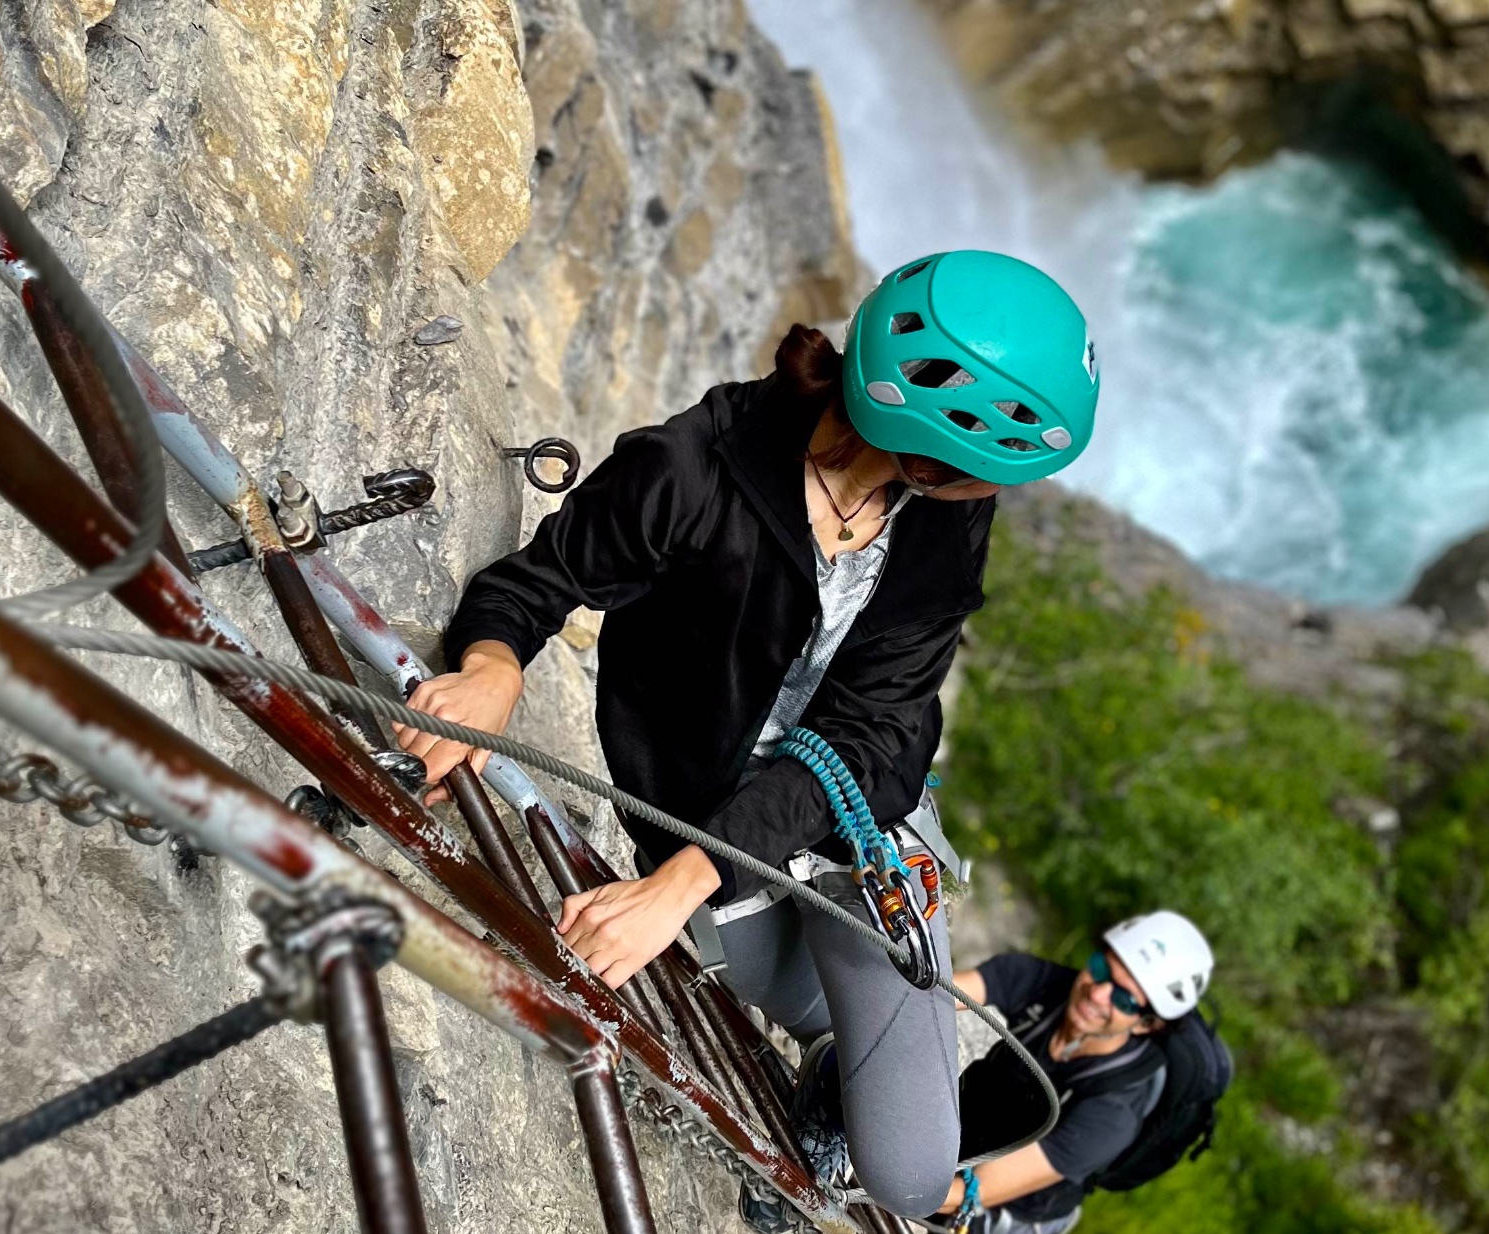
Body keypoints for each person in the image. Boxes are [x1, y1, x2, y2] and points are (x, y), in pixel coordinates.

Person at [395, 250, 1101, 1219]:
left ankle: (842, 1053)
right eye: (986, 473)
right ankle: (831, 1027)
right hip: (711, 830)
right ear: (928, 447)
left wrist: (677, 884)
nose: (994, 496)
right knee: (797, 998)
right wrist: (492, 671)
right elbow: (541, 582)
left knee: (902, 1168)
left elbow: (865, 733)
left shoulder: (942, 524)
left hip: (857, 837)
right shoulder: (696, 470)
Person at [935, 912, 1228, 1234]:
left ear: (1148, 1024)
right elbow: (933, 994)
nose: (1097, 994)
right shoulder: (1048, 987)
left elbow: (971, 1193)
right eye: (1102, 969)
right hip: (962, 1130)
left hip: (1009, 1209)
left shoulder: (1114, 1112)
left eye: (1124, 1000)